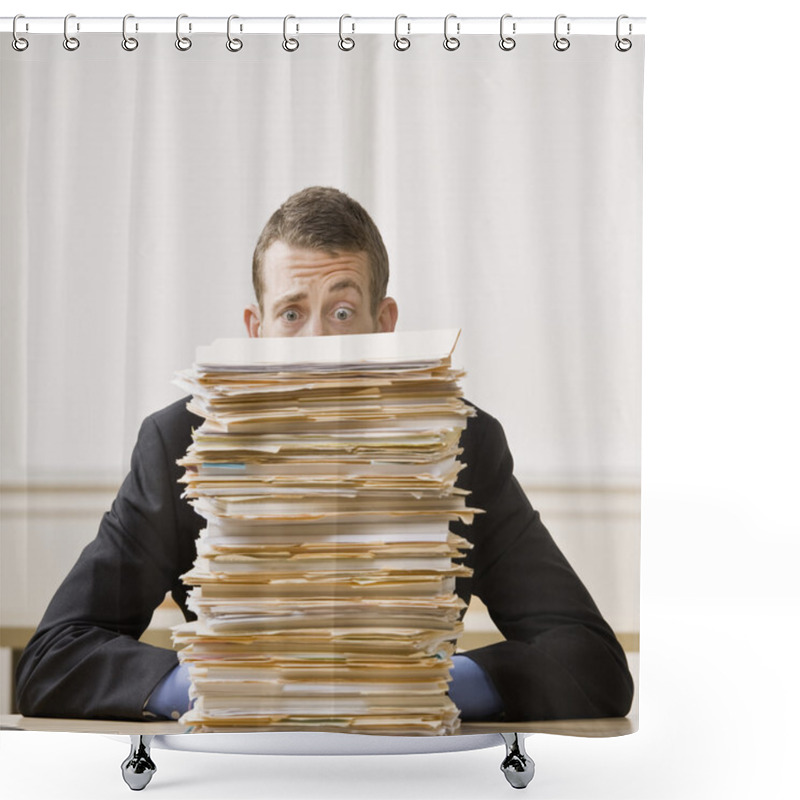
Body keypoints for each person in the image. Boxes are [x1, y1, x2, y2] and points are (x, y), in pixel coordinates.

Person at [16, 186, 634, 723]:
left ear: (383, 323)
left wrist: (424, 689)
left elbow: (590, 660)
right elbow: (55, 659)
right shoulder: (180, 444)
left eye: (341, 312)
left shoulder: (462, 444)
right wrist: (206, 686)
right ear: (255, 331)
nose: (317, 344)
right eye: (292, 313)